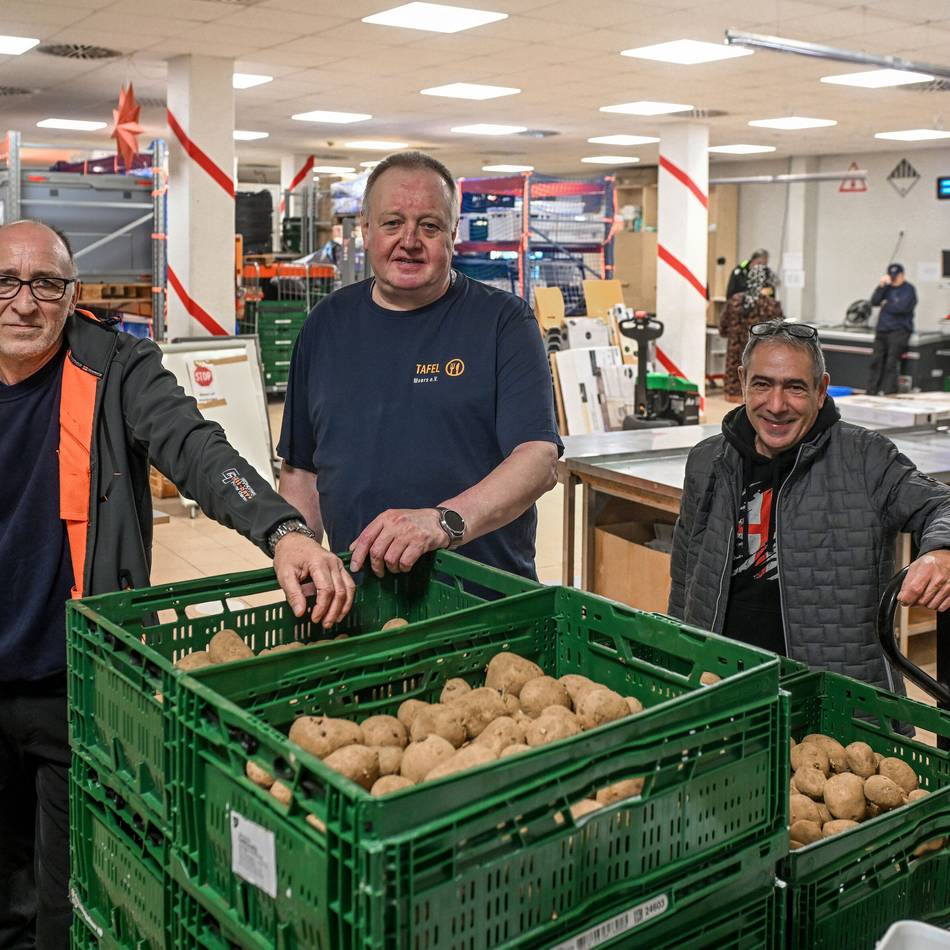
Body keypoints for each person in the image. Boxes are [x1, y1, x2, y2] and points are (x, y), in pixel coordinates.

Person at [0, 218, 355, 949]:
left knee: (69, 893)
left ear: (73, 297)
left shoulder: (118, 368)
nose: (25, 302)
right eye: (6, 282)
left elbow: (196, 447)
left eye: (47, 284)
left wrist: (282, 528)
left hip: (77, 679)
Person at [278, 151, 562, 581]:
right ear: (366, 230)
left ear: (452, 233)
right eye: (392, 223)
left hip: (480, 598)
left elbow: (538, 459)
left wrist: (443, 522)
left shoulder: (504, 322)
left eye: (428, 226)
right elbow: (302, 469)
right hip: (357, 598)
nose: (409, 240)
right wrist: (299, 547)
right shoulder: (325, 324)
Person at [669, 320, 950, 692]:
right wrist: (675, 659)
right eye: (763, 384)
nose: (776, 405)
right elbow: (684, 577)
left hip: (834, 697)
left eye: (795, 388)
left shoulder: (866, 458)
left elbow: (941, 504)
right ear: (742, 381)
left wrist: (942, 551)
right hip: (720, 685)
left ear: (821, 390)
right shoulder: (707, 461)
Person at [720, 263, 782, 402]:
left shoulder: (734, 300)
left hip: (732, 386)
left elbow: (723, 328)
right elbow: (780, 334)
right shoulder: (771, 305)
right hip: (756, 386)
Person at [866, 263, 917, 395]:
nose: (894, 279)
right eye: (892, 276)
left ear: (902, 275)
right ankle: (872, 391)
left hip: (899, 331)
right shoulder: (886, 289)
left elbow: (902, 308)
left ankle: (890, 392)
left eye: (897, 276)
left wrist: (886, 304)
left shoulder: (909, 289)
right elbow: (874, 301)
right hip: (882, 330)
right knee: (876, 361)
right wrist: (881, 286)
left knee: (891, 363)